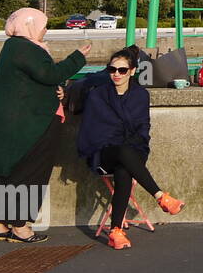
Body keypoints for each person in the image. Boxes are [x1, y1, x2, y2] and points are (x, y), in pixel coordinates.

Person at [0, 8, 91, 243]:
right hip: (30, 124)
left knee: (3, 172)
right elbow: (48, 74)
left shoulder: (13, 47)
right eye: (43, 25)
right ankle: (20, 227)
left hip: (9, 123)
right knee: (31, 173)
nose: (45, 30)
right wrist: (78, 57)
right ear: (29, 25)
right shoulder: (25, 48)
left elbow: (33, 81)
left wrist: (56, 89)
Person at [76, 45, 185, 250]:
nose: (116, 74)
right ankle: (160, 196)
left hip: (133, 151)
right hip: (102, 152)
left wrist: (132, 145)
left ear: (133, 71)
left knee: (124, 167)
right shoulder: (97, 95)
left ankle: (116, 230)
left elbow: (143, 128)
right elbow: (93, 131)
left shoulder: (140, 95)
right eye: (112, 70)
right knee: (123, 155)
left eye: (122, 70)